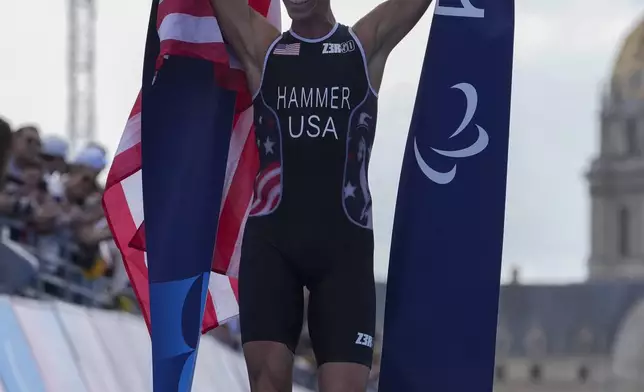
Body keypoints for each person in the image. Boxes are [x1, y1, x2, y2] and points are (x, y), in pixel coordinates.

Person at [207, 0, 433, 391]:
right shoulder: (266, 50)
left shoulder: (364, 45)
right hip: (273, 243)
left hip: (343, 251)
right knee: (267, 382)